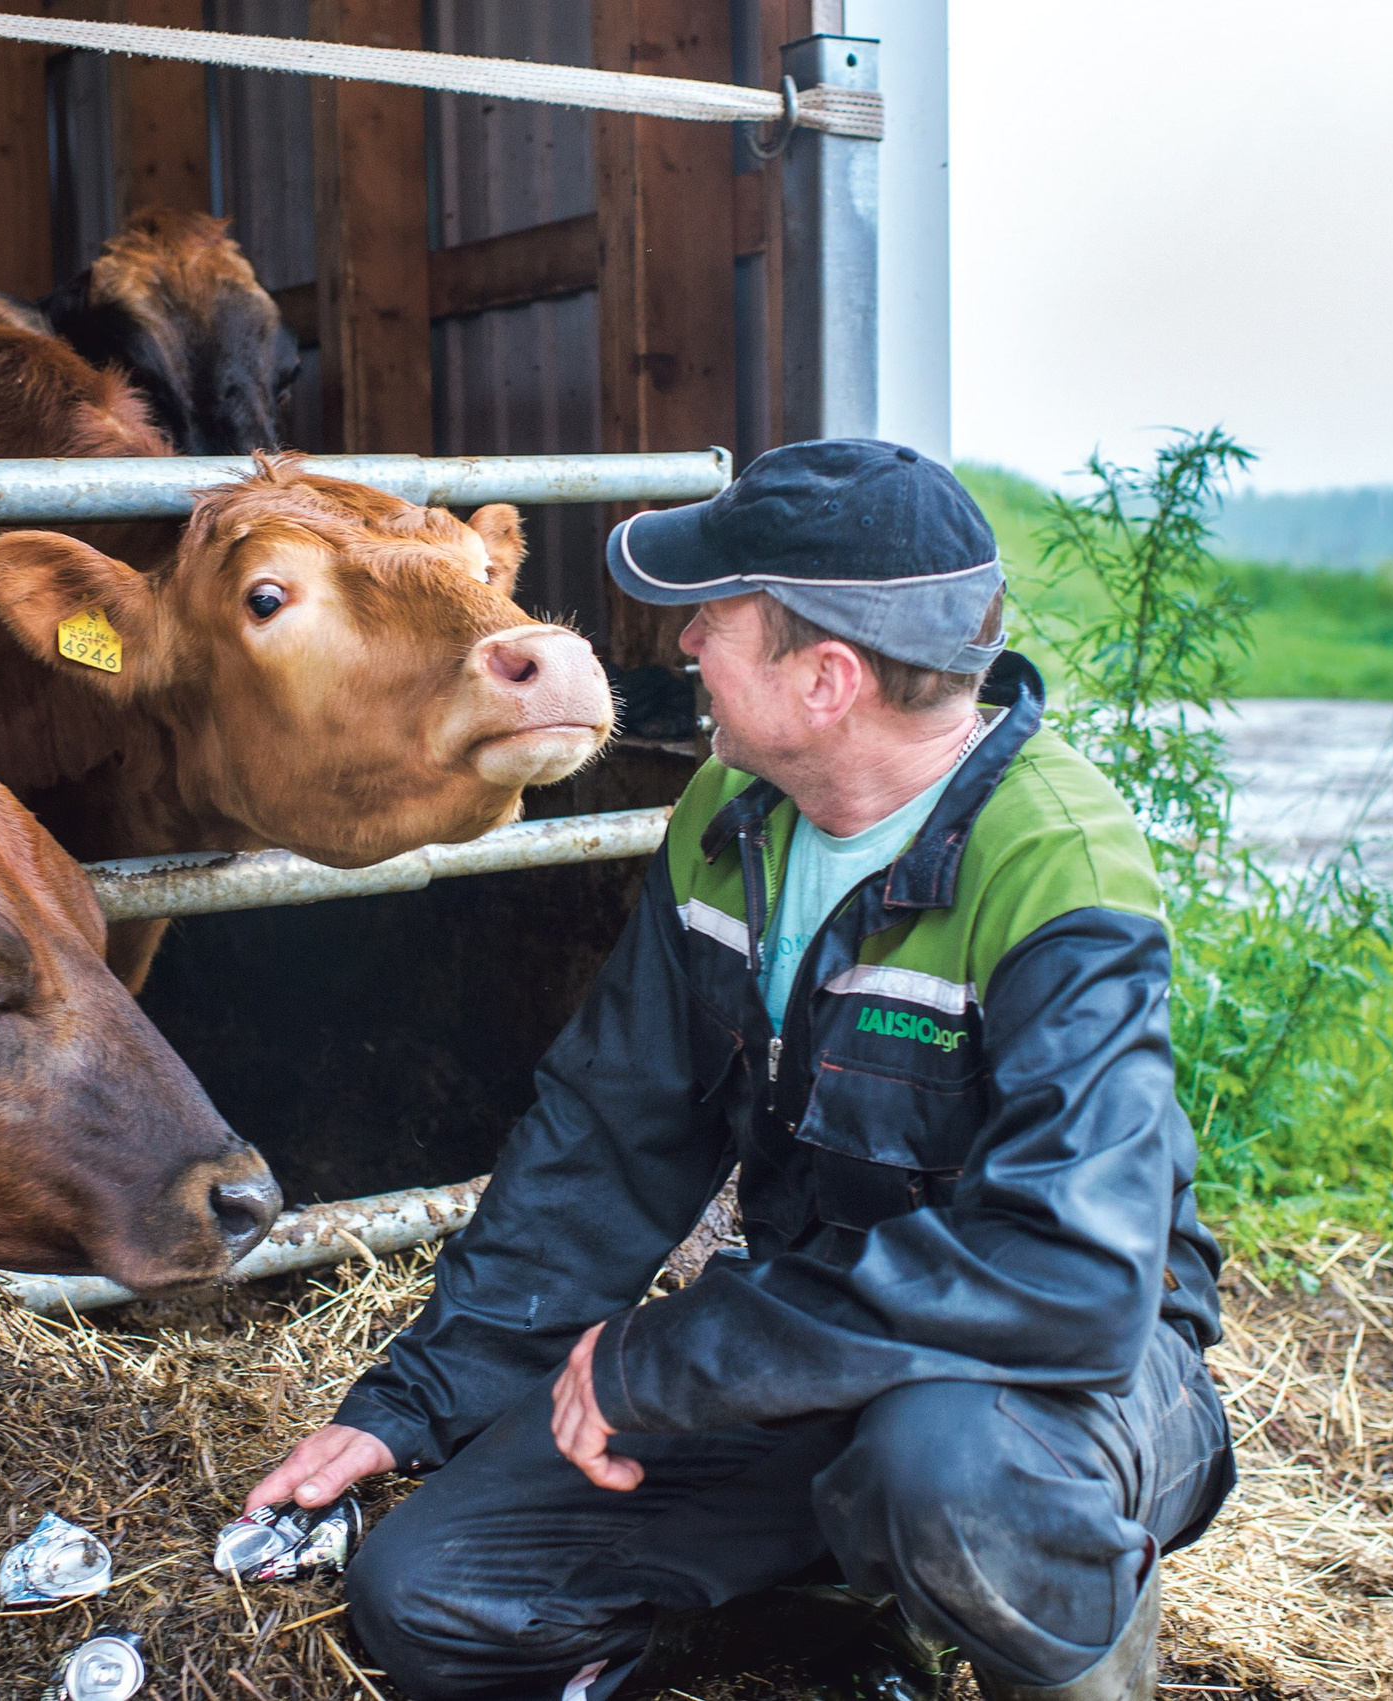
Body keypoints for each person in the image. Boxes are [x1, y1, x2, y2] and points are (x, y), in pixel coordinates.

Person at [246, 439, 1233, 1701]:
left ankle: (1055, 1648)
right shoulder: (730, 811)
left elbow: (1071, 1280)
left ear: (823, 680)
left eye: (714, 616)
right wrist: (413, 1401)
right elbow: (611, 1132)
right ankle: (846, 1644)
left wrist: (661, 1362)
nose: (682, 645)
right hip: (806, 1338)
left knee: (950, 1478)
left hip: (1050, 1382)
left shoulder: (1054, 866)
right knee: (434, 1595)